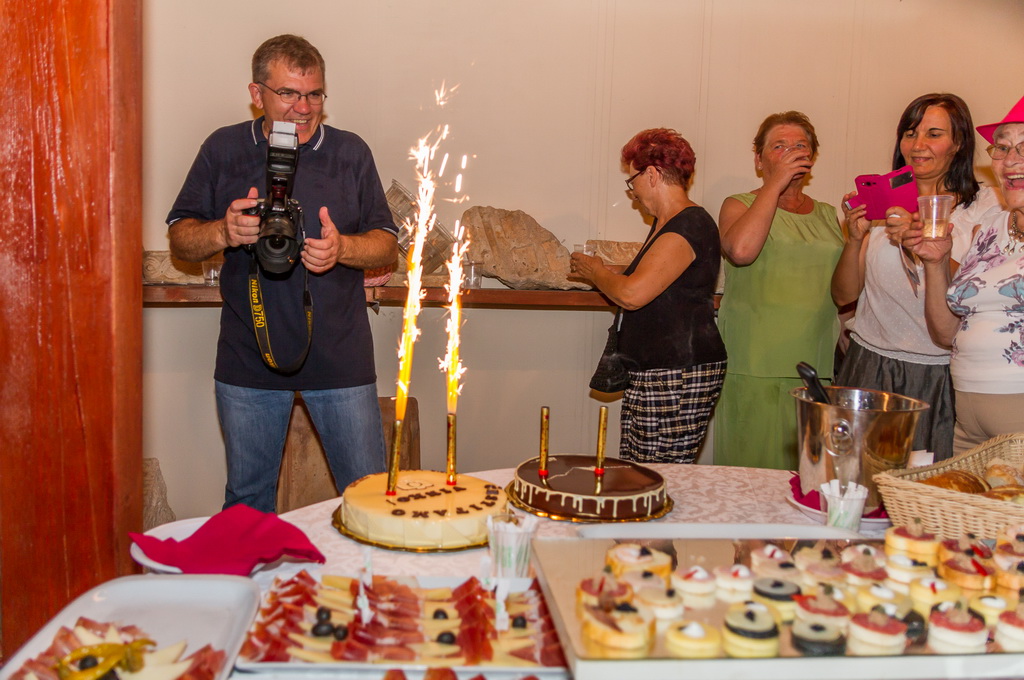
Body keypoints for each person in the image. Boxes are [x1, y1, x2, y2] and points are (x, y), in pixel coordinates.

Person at [167, 35, 398, 512]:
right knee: (248, 503)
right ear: (257, 93)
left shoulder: (350, 152)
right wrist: (225, 231)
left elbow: (386, 243)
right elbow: (181, 238)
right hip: (248, 357)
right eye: (289, 93)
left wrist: (342, 248)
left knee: (369, 501)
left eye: (314, 94)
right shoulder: (224, 147)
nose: (304, 108)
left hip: (340, 357)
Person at [831, 93, 1002, 462]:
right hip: (870, 364)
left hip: (940, 373)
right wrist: (855, 239)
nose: (918, 145)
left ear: (959, 143)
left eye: (934, 134)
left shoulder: (985, 207)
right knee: (854, 479)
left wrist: (928, 246)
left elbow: (978, 290)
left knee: (928, 482)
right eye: (910, 133)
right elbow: (844, 295)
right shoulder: (883, 203)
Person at [571, 128, 727, 464]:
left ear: (652, 174)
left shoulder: (689, 224)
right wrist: (605, 270)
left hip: (675, 372)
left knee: (658, 474)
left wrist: (595, 272)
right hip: (661, 370)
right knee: (640, 470)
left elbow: (632, 294)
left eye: (633, 181)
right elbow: (652, 280)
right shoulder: (668, 224)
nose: (633, 192)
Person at [715, 111, 843, 470]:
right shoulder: (738, 204)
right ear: (759, 160)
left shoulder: (829, 214)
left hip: (815, 363)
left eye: (800, 146)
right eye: (779, 147)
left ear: (812, 157)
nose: (791, 152)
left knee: (807, 475)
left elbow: (843, 288)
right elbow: (741, 251)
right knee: (751, 474)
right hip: (756, 361)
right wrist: (776, 184)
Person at [907, 94, 1024, 453]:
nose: (1010, 161)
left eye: (1023, 148)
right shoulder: (989, 229)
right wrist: (936, 262)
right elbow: (946, 334)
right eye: (1001, 148)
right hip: (968, 414)